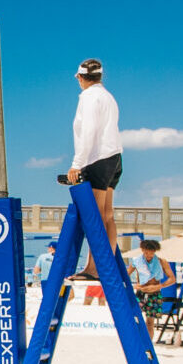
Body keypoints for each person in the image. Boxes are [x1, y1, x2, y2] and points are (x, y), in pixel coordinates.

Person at [59, 58, 124, 246]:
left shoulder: (88, 97)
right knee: (107, 215)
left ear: (80, 77)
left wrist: (76, 164)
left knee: (95, 217)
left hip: (98, 159)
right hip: (114, 157)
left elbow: (89, 130)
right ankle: (107, 263)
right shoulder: (108, 97)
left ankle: (94, 268)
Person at [128, 239, 171, 327]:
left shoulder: (161, 261)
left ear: (155, 251)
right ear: (143, 250)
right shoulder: (137, 261)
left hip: (155, 294)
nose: (149, 256)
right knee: (135, 319)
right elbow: (125, 275)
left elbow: (172, 279)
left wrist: (159, 286)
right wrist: (133, 286)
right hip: (140, 293)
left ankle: (149, 341)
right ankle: (138, 340)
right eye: (146, 253)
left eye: (151, 253)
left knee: (150, 323)